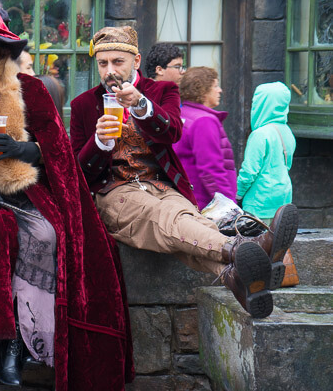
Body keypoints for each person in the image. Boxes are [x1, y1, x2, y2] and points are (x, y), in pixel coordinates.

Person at [0, 1, 134, 390]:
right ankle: (0, 337)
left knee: (44, 235)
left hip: (23, 192)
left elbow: (58, 153)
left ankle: (21, 346)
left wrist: (27, 150)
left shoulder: (30, 90)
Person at [69, 26, 299, 318]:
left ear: (136, 61)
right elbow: (79, 172)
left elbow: (172, 132)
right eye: (103, 63)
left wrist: (141, 105)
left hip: (163, 185)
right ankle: (248, 248)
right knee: (164, 217)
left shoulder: (162, 91)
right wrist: (99, 141)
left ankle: (236, 277)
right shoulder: (83, 105)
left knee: (183, 221)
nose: (109, 70)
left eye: (118, 62)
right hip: (116, 193)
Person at [173, 67, 236, 209]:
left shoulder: (182, 114)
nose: (219, 90)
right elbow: (211, 170)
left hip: (185, 198)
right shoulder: (204, 121)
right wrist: (228, 206)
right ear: (202, 90)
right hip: (205, 204)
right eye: (215, 86)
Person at [237, 82, 296, 222]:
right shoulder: (287, 131)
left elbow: (249, 171)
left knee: (256, 243)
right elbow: (288, 165)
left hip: (258, 202)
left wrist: (237, 195)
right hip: (283, 199)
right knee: (275, 241)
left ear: (262, 104)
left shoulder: (260, 134)